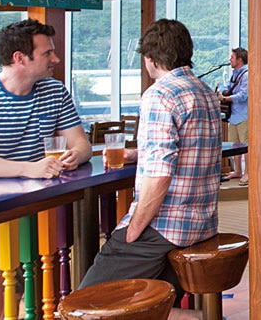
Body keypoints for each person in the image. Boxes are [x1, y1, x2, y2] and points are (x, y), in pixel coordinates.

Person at [79, 19, 221, 320]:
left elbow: (160, 175)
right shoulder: (205, 91)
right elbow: (186, 151)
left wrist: (133, 229)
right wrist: (137, 153)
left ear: (150, 59)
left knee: (87, 306)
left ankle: (192, 319)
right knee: (145, 303)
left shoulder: (160, 95)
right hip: (202, 224)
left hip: (163, 227)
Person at [0, 19, 91, 192]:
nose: (56, 59)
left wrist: (75, 156)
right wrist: (30, 168)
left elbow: (82, 144)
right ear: (19, 58)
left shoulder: (55, 91)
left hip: (27, 192)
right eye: (47, 53)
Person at [218, 47, 249, 185]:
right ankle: (237, 171)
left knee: (246, 146)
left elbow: (243, 95)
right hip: (234, 115)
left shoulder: (247, 74)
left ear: (239, 59)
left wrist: (225, 99)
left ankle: (248, 172)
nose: (230, 60)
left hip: (244, 115)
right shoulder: (234, 74)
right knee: (234, 145)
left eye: (232, 57)